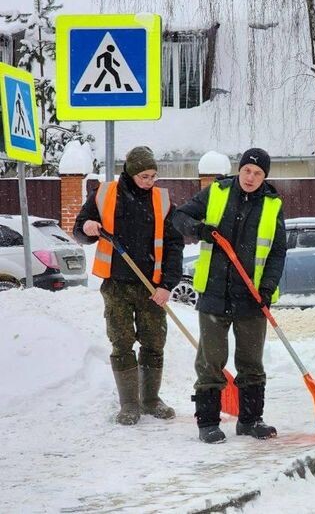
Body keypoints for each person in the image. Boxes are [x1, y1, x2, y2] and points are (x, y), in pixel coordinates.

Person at [172, 148, 287, 444]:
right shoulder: (218, 192)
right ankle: (208, 422)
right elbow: (179, 216)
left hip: (251, 296)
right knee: (211, 360)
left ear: (265, 177)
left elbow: (276, 252)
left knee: (251, 361)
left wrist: (266, 289)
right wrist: (200, 230)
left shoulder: (272, 205)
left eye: (258, 173)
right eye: (247, 170)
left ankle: (250, 420)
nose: (251, 177)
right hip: (214, 292)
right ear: (240, 169)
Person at [73, 146, 184, 425]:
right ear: (132, 172)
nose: (150, 181)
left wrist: (167, 285)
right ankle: (129, 404)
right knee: (121, 342)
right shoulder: (105, 193)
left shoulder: (162, 200)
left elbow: (174, 245)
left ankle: (150, 400)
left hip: (151, 287)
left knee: (154, 342)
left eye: (153, 176)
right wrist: (87, 227)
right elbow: (80, 227)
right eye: (145, 176)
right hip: (116, 285)